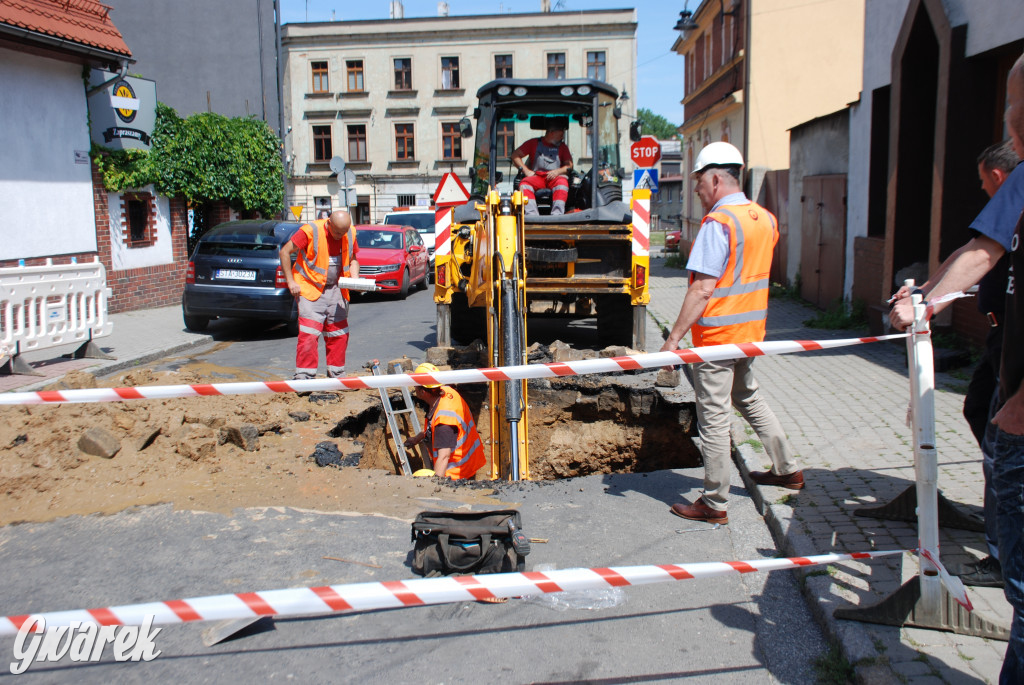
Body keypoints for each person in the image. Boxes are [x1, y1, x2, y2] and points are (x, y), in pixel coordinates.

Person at [891, 54, 1024, 684]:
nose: (1010, 121)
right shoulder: (1021, 184)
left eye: (1016, 111)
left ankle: (998, 547)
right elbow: (977, 251)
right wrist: (927, 299)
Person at [892, 141, 1020, 589]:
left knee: (1001, 437)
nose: (981, 187)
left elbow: (983, 253)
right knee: (983, 417)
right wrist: (926, 290)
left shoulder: (1017, 186)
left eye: (983, 179)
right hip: (1001, 337)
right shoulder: (1008, 204)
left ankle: (1005, 553)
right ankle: (1002, 532)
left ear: (998, 178)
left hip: (1012, 340)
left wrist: (928, 303)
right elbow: (973, 248)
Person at [659, 141, 802, 525]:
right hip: (750, 333)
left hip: (718, 338)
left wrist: (673, 340)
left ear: (717, 178)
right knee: (748, 398)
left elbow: (702, 288)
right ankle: (787, 468)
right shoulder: (764, 219)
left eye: (699, 182)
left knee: (715, 418)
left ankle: (714, 502)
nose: (696, 190)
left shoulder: (718, 224)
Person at [278, 210, 360, 380]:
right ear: (328, 223)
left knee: (339, 333)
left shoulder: (349, 232)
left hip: (337, 289)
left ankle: (337, 375)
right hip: (310, 289)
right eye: (337, 232)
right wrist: (291, 282)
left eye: (343, 232)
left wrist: (355, 278)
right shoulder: (310, 231)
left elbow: (353, 259)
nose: (339, 236)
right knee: (309, 334)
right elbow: (284, 252)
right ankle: (304, 376)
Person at [403, 362, 485, 479]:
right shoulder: (448, 392)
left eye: (416, 385)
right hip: (467, 462)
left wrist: (437, 486)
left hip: (456, 473)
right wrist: (417, 438)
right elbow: (432, 427)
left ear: (423, 392)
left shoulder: (444, 422)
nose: (414, 388)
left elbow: (444, 457)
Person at [511, 125, 573, 216]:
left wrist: (557, 172)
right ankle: (532, 215)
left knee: (562, 184)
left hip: (555, 178)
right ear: (552, 133)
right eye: (560, 135)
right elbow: (515, 155)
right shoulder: (533, 143)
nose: (562, 138)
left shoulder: (563, 147)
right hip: (537, 177)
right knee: (524, 185)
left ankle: (557, 215)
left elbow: (569, 165)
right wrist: (527, 171)